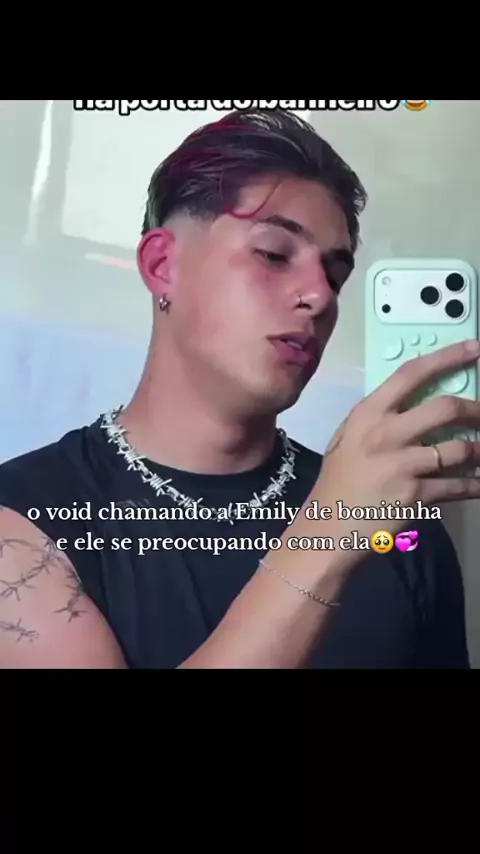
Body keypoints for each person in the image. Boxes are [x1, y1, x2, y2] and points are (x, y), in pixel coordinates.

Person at [0, 109, 478, 669]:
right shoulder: (22, 523)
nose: (320, 296)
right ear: (162, 264)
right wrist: (328, 534)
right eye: (274, 254)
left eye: (335, 274)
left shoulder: (398, 529)